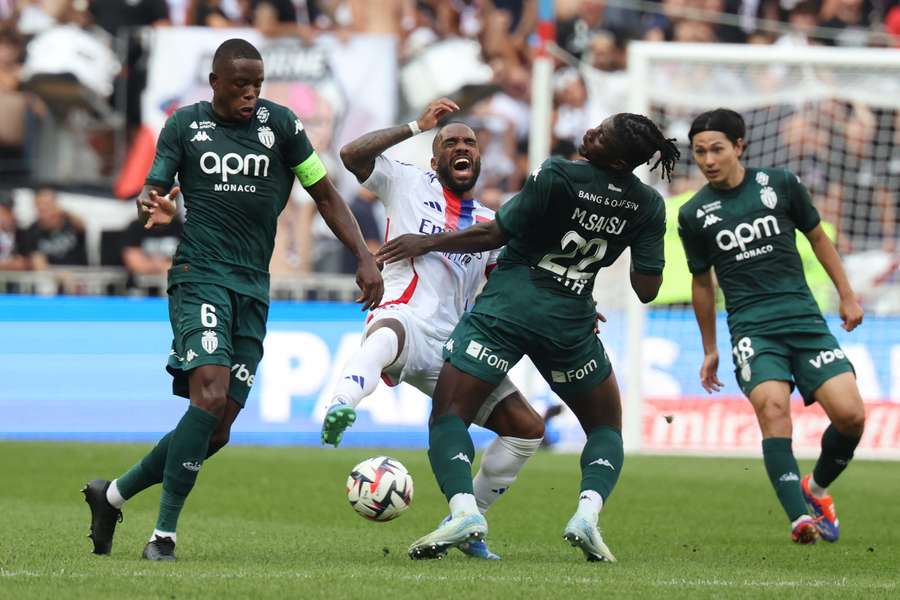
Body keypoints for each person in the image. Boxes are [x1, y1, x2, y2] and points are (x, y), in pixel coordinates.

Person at [81, 38, 383, 561]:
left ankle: (111, 496)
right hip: (200, 276)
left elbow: (325, 193)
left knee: (216, 431)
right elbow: (151, 193)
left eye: (257, 85)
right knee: (212, 396)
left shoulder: (283, 128)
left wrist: (363, 255)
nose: (250, 94)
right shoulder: (184, 125)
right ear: (215, 82)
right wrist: (151, 204)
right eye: (240, 84)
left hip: (253, 288)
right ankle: (163, 537)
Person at [378, 113, 680, 562]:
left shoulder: (557, 172)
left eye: (601, 134)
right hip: (572, 320)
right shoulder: (650, 206)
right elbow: (647, 288)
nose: (590, 132)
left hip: (509, 308)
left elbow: (496, 232)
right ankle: (587, 515)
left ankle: (464, 510)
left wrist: (427, 242)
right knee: (604, 427)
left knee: (449, 413)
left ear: (617, 158)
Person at [324, 99, 546, 560]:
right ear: (435, 157)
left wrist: (572, 306)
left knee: (526, 428)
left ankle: (464, 524)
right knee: (386, 332)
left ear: (479, 160)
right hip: (404, 315)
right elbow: (350, 155)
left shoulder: (489, 225)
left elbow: (512, 282)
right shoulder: (406, 180)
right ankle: (342, 403)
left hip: (454, 346)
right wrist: (416, 125)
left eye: (469, 143)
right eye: (450, 142)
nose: (461, 147)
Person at [678, 108, 865, 545]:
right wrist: (710, 347)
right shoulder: (694, 214)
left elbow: (819, 237)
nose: (708, 159)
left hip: (803, 319)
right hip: (751, 329)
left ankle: (815, 491)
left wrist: (847, 293)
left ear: (739, 146)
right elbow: (702, 282)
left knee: (852, 416)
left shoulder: (780, 185)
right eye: (700, 152)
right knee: (772, 408)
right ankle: (798, 518)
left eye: (717, 149)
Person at [21, 187, 87, 269]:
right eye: (40, 205)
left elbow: (83, 226)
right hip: (52, 276)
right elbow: (39, 265)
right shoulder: (32, 231)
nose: (44, 208)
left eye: (47, 204)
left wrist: (64, 213)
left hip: (82, 273)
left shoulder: (70, 221)